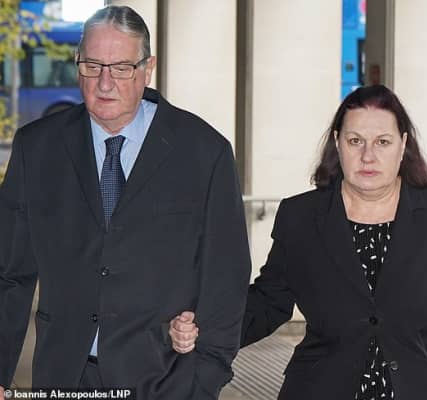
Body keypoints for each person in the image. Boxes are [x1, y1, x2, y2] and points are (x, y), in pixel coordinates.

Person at [170, 85, 427, 400]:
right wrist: (204, 325)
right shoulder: (301, 217)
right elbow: (269, 301)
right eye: (355, 141)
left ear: (403, 145)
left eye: (382, 142)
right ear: (338, 143)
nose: (368, 155)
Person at [0, 5, 250, 399]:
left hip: (165, 379)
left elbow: (226, 276)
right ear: (77, 64)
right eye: (92, 66)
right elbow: (9, 272)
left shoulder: (204, 152)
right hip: (64, 376)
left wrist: (204, 377)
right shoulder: (37, 148)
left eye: (121, 68)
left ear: (147, 69)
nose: (105, 83)